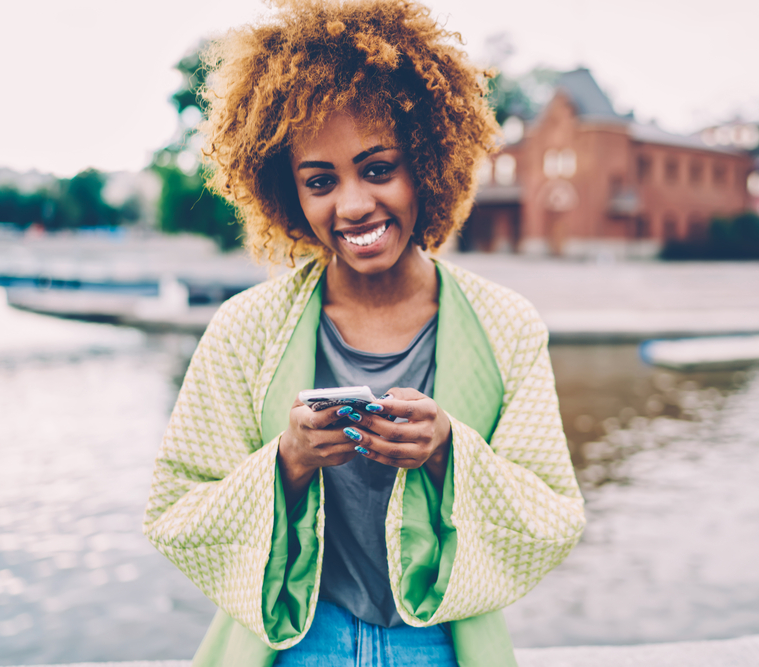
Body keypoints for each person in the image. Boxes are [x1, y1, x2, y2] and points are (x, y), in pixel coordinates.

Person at [143, 1, 586, 665]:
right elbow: (175, 510)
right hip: (294, 641)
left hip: (442, 643)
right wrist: (289, 460)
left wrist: (444, 450)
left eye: (379, 169)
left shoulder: (508, 327)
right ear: (288, 193)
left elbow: (553, 516)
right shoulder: (244, 329)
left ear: (429, 162)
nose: (352, 205)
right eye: (321, 181)